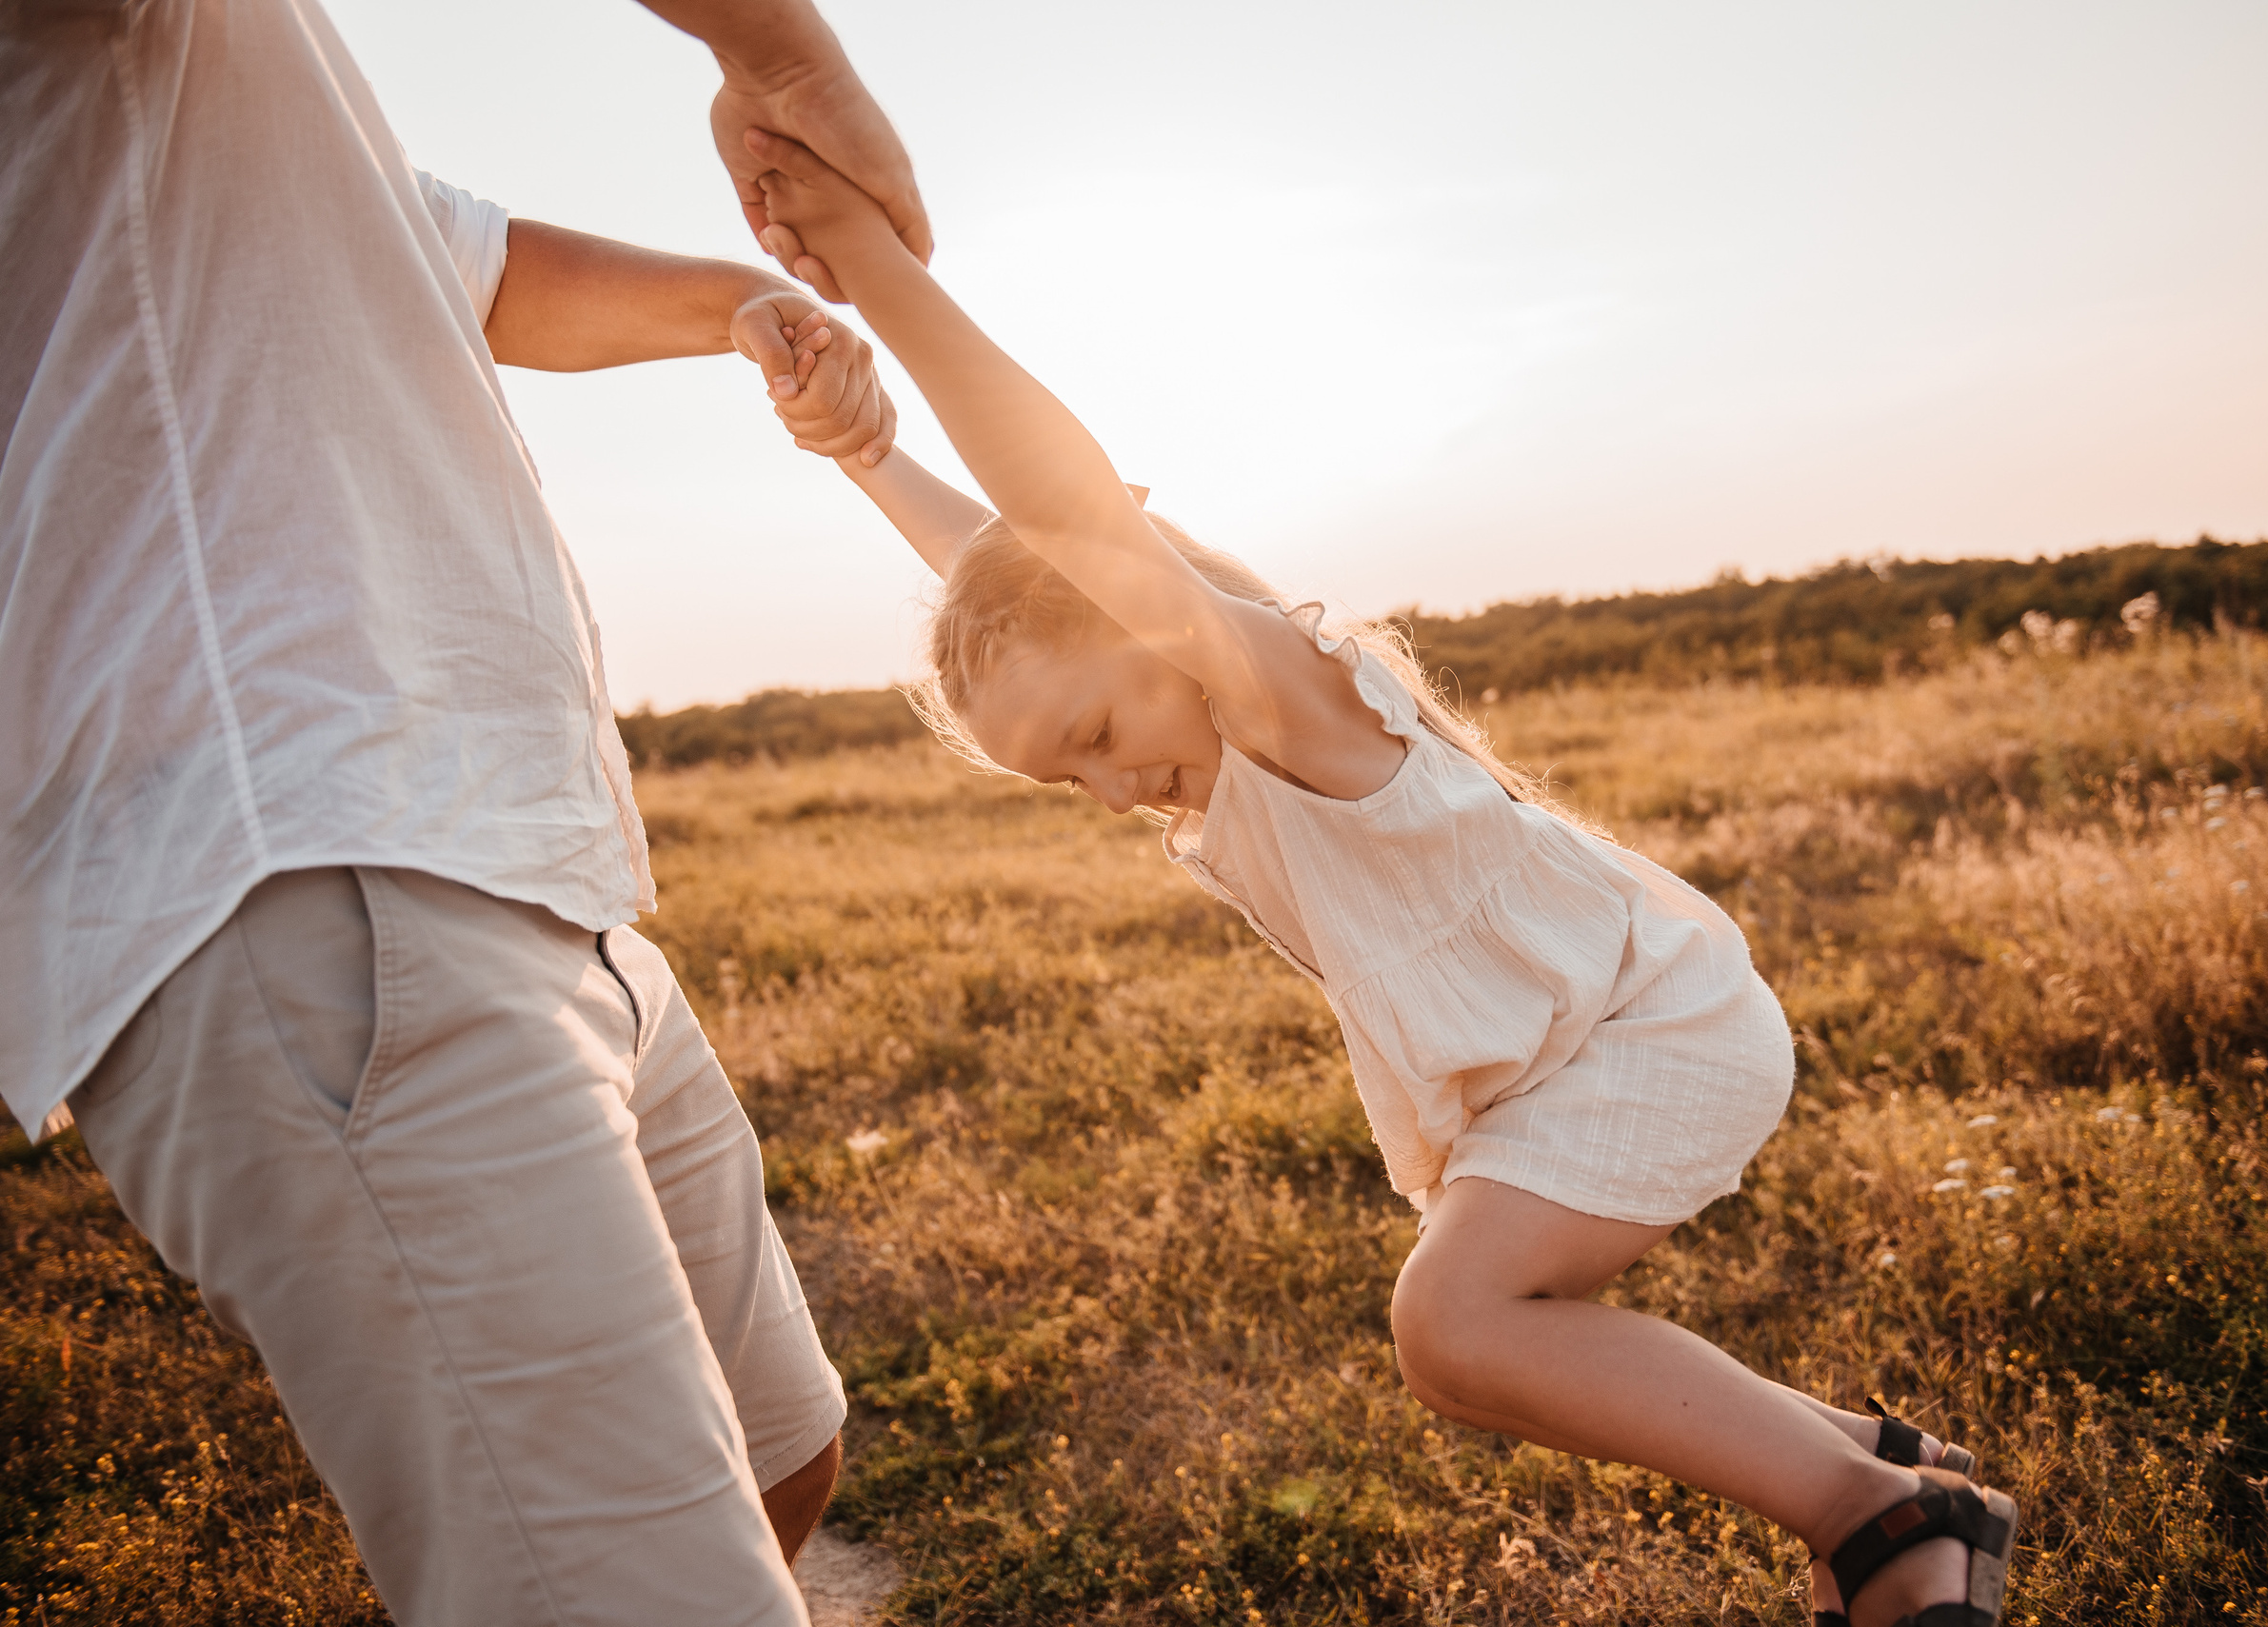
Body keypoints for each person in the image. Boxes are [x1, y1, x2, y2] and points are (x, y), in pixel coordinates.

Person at [741, 133, 2023, 1627]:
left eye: (1094, 736)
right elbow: (1004, 562)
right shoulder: (1208, 745)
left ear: (1144, 606)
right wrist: (863, 451)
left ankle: (1881, 1518)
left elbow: (1055, 510)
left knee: (1454, 1318)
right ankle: (1889, 1466)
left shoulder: (1285, 706)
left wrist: (873, 265)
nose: (1110, 791)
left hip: (1649, 1031)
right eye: (1063, 778)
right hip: (1576, 1052)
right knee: (1466, 1340)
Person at [2, 3, 919, 1621]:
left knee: (783, 1451)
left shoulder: (231, 104)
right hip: (312, 876)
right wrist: (780, 54)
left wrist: (744, 304)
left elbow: (453, 261)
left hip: (503, 857)